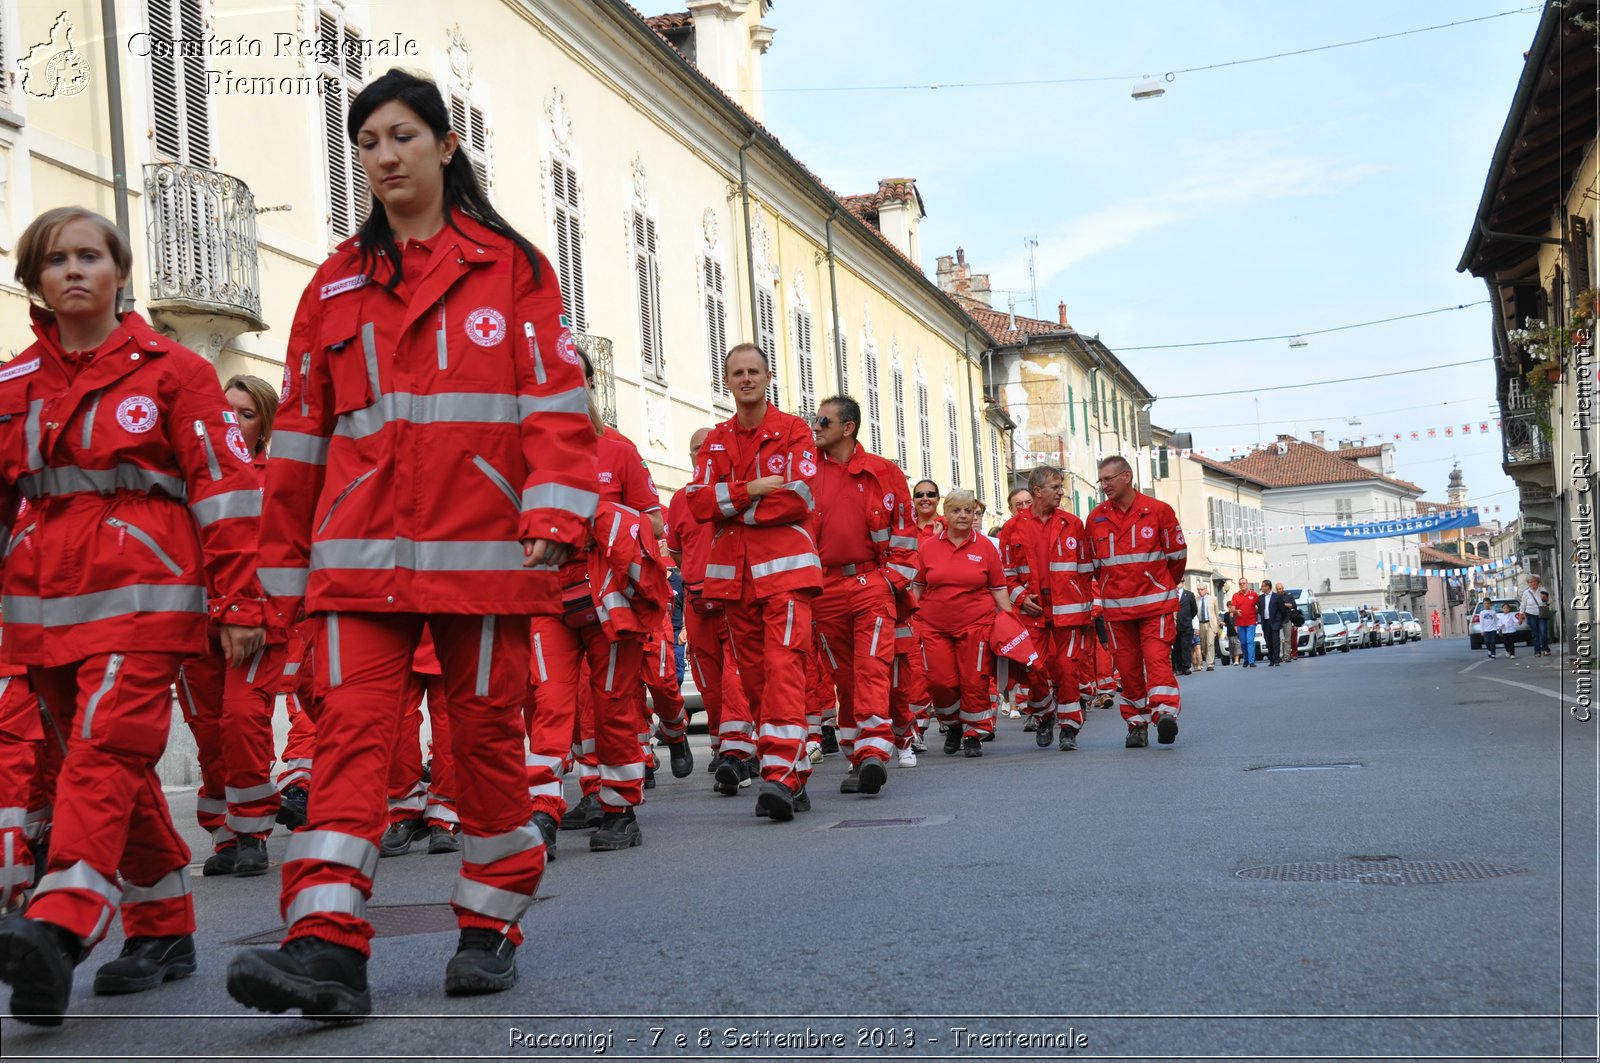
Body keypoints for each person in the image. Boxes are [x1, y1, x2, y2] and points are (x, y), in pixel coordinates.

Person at [229, 69, 597, 1016]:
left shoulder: (510, 269)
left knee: (481, 745)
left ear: (445, 146)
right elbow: (300, 443)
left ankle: (490, 922)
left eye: (401, 136)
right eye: (368, 142)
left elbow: (556, 406)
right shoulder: (334, 285)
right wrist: (280, 583)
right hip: (357, 562)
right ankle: (323, 947)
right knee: (349, 743)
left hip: (485, 559)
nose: (384, 156)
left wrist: (553, 517)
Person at [0, 206, 267, 1024]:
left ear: (119, 272)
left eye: (90, 255)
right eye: (56, 260)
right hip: (40, 607)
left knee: (104, 751)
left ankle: (59, 923)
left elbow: (226, 486)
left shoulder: (175, 371)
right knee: (108, 763)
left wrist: (239, 598)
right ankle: (162, 926)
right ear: (34, 282)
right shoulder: (11, 386)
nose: (74, 270)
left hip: (146, 600)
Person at [684, 342, 820, 821]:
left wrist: (732, 505)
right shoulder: (717, 439)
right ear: (728, 381)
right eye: (737, 372)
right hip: (733, 582)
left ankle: (779, 777)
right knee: (759, 681)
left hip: (785, 577)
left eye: (753, 372)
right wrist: (752, 490)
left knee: (783, 670)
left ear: (768, 378)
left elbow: (799, 497)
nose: (746, 379)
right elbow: (696, 504)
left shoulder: (795, 431)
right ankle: (795, 768)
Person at [177, 374, 291, 878]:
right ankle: (224, 835)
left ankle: (253, 831)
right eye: (226, 413)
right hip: (191, 622)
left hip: (256, 621)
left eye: (245, 414)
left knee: (241, 719)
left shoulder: (278, 476)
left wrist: (261, 611)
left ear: (263, 424)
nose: (233, 423)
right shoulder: (184, 471)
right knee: (208, 733)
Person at [810, 396, 915, 790]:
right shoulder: (806, 471)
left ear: (847, 427)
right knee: (845, 679)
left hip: (871, 584)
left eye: (823, 421)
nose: (815, 427)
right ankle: (858, 758)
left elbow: (906, 532)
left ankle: (874, 753)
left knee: (872, 668)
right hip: (824, 588)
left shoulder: (884, 472)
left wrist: (890, 580)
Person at [666, 428, 751, 772]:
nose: (702, 454)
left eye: (707, 448)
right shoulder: (679, 500)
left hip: (735, 598)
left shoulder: (737, 493)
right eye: (696, 449)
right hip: (698, 601)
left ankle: (739, 749)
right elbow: (676, 552)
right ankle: (723, 747)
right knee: (709, 680)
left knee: (736, 675)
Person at [1087, 455, 1187, 747]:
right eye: (1101, 480)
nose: (1104, 485)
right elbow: (1095, 564)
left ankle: (1165, 714)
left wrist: (1159, 584)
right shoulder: (1095, 518)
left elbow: (1177, 557)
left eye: (1109, 479)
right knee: (1128, 670)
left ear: (1127, 476)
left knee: (1157, 662)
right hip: (1117, 610)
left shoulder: (1158, 511)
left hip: (1155, 605)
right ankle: (1136, 724)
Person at [999, 465, 1094, 752]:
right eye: (1056, 487)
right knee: (1034, 667)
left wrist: (1087, 604)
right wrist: (1019, 596)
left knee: (1066, 668)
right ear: (1037, 491)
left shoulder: (1073, 524)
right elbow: (1005, 572)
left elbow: (1086, 570)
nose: (1061, 492)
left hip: (1069, 609)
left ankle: (1068, 728)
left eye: (1061, 486)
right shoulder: (1012, 528)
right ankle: (1043, 715)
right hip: (1031, 611)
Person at [915, 489, 1013, 756]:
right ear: (945, 514)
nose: (962, 516)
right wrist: (907, 619)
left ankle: (974, 733)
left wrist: (1011, 623)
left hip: (976, 626)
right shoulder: (928, 547)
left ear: (974, 515)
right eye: (956, 510)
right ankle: (952, 724)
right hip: (934, 627)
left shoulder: (986, 548)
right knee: (940, 681)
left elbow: (998, 588)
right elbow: (917, 587)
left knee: (974, 681)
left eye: (968, 511)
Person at [1229, 578, 1260, 668]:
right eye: (1240, 583)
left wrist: (1257, 613)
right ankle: (1246, 659)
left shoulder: (1254, 595)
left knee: (1250, 641)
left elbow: (1260, 606)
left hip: (1251, 622)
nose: (1242, 585)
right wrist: (1236, 611)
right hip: (1240, 623)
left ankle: (1251, 661)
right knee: (1243, 643)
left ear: (1247, 584)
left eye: (1244, 583)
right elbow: (1232, 608)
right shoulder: (1236, 595)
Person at [1259, 579, 1286, 666]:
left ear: (1268, 587)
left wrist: (1280, 621)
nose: (1262, 588)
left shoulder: (1276, 596)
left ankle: (1276, 659)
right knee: (1268, 641)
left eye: (1263, 586)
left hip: (1274, 622)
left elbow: (1282, 610)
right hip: (1265, 622)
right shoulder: (1261, 597)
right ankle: (1271, 659)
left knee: (1275, 641)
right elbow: (1260, 610)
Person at [1172, 584, 1197, 676]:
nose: (1178, 584)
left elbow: (1194, 610)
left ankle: (1186, 666)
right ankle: (1179, 668)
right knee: (1177, 647)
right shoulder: (1171, 594)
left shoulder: (1189, 594)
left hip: (1186, 624)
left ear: (1182, 583)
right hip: (1174, 625)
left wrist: (1188, 618)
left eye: (1179, 582)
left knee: (1186, 646)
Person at [1521, 576, 1549, 657]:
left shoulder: (1543, 590)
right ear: (1528, 584)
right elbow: (1523, 604)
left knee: (1543, 631)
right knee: (1535, 633)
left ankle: (1545, 648)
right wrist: (1521, 614)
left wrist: (1545, 599)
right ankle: (1537, 651)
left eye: (1534, 581)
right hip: (1531, 614)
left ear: (1538, 582)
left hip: (1542, 613)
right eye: (1530, 582)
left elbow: (1548, 602)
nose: (1533, 583)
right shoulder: (1526, 592)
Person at [1195, 585, 1218, 671]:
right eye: (1198, 590)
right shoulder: (1196, 600)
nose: (1200, 591)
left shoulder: (1213, 599)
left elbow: (1216, 612)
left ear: (1206, 590)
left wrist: (1216, 625)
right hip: (1201, 624)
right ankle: (1208, 657)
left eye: (1202, 589)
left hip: (1210, 623)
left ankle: (1210, 664)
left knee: (1210, 643)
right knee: (1203, 645)